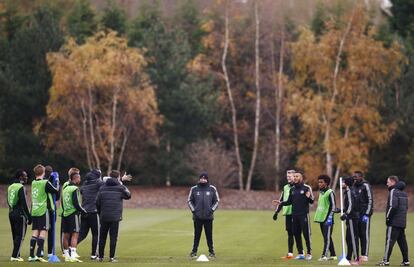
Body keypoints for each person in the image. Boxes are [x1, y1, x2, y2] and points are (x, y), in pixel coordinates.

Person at [273, 171, 314, 260]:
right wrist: (281, 202)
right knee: (296, 234)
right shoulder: (292, 189)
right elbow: (289, 202)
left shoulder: (306, 188)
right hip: (294, 215)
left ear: (301, 178)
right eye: (294, 176)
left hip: (303, 215)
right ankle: (300, 253)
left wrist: (308, 197)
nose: (295, 178)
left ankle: (309, 253)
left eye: (297, 176)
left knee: (306, 234)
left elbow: (312, 201)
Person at [96, 170, 132, 262]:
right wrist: (122, 183)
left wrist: (100, 213)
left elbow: (97, 202)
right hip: (115, 217)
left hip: (104, 216)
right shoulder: (120, 187)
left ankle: (100, 257)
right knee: (113, 238)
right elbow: (128, 195)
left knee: (102, 237)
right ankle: (111, 257)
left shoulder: (102, 188)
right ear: (118, 177)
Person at [28, 164, 59, 262]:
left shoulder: (33, 183)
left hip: (35, 210)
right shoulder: (45, 182)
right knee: (43, 231)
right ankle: (38, 255)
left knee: (35, 232)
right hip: (43, 210)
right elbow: (55, 190)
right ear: (43, 172)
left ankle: (31, 255)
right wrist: (57, 181)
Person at [377, 176, 410, 266]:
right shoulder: (404, 194)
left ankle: (385, 261)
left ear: (393, 182)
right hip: (402, 222)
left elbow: (392, 206)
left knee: (389, 241)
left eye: (388, 182)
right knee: (402, 242)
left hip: (394, 222)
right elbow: (406, 208)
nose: (387, 183)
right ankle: (406, 261)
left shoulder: (393, 192)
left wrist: (388, 218)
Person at [188, 172, 220, 259]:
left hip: (208, 217)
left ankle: (211, 252)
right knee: (196, 235)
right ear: (199, 179)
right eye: (201, 178)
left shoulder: (212, 189)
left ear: (207, 179)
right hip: (197, 217)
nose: (203, 179)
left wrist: (211, 210)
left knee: (209, 235)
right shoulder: (194, 189)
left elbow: (216, 201)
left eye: (204, 178)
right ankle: (194, 252)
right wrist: (194, 211)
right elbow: (190, 201)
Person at [77, 169, 103, 260]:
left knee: (82, 234)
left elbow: (81, 191)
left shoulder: (85, 184)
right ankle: (93, 254)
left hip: (84, 212)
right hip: (94, 212)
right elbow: (107, 184)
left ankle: (71, 248)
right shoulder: (98, 183)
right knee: (96, 234)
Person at [62, 171, 86, 262]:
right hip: (73, 214)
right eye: (79, 178)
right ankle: (73, 256)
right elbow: (76, 203)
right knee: (75, 235)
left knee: (66, 235)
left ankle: (67, 255)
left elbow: (63, 202)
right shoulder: (75, 189)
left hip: (65, 214)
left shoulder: (65, 188)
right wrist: (83, 210)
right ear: (75, 178)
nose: (80, 179)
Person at [7, 170, 31, 262]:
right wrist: (29, 217)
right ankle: (14, 256)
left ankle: (17, 254)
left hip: (11, 213)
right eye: (25, 176)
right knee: (20, 236)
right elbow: (24, 204)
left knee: (15, 235)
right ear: (20, 177)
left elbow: (9, 200)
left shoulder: (10, 187)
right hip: (20, 214)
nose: (26, 177)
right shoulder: (21, 187)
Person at [273, 169, 296, 259]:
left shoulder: (298, 187)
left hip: (296, 213)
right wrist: (276, 212)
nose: (288, 178)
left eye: (290, 176)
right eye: (287, 177)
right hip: (287, 213)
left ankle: (303, 253)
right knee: (290, 233)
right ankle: (290, 254)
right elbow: (281, 200)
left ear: (294, 176)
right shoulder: (285, 187)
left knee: (297, 233)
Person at [314, 175, 337, 261]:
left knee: (327, 238)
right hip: (321, 218)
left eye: (321, 182)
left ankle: (324, 255)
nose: (319, 184)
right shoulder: (321, 192)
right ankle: (333, 255)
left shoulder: (330, 192)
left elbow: (333, 206)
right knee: (327, 237)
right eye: (319, 182)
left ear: (326, 183)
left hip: (328, 219)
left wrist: (330, 217)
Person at [353, 171, 373, 262]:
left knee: (364, 234)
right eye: (354, 176)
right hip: (356, 215)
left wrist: (367, 214)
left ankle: (364, 254)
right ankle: (356, 254)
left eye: (356, 176)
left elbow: (370, 200)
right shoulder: (353, 187)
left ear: (361, 177)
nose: (355, 178)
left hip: (364, 214)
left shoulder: (366, 186)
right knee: (357, 234)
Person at [59, 167, 80, 255]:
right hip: (69, 211)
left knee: (68, 233)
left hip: (66, 211)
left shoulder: (67, 185)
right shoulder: (69, 185)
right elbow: (66, 199)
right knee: (71, 233)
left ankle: (68, 252)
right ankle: (68, 253)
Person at [340, 177, 360, 265]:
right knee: (348, 238)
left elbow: (351, 205)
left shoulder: (350, 192)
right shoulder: (348, 192)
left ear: (346, 183)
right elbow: (348, 205)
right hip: (350, 217)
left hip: (352, 218)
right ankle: (348, 257)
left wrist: (346, 214)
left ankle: (356, 259)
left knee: (352, 238)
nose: (342, 184)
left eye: (343, 182)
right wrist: (340, 210)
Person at [45, 165, 60, 259]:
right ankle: (50, 252)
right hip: (50, 208)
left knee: (40, 230)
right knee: (50, 230)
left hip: (40, 209)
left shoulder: (38, 181)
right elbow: (57, 195)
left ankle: (40, 251)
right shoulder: (50, 181)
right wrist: (57, 182)